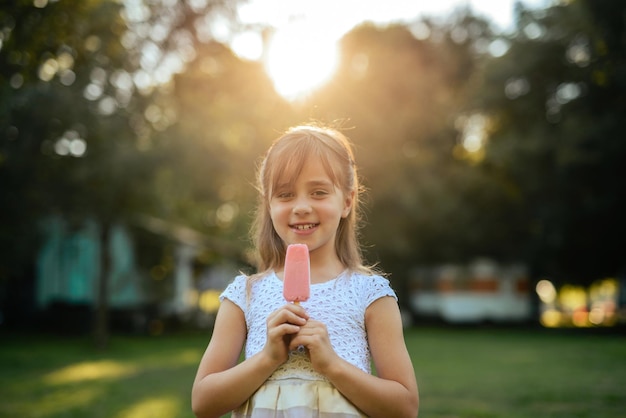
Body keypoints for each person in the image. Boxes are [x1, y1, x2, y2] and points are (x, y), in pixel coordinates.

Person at [191, 125, 419, 418]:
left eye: (319, 192)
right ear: (268, 204)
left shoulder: (370, 294)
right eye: (285, 194)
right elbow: (203, 402)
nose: (301, 207)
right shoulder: (245, 294)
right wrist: (268, 358)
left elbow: (405, 407)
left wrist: (331, 365)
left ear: (347, 201)